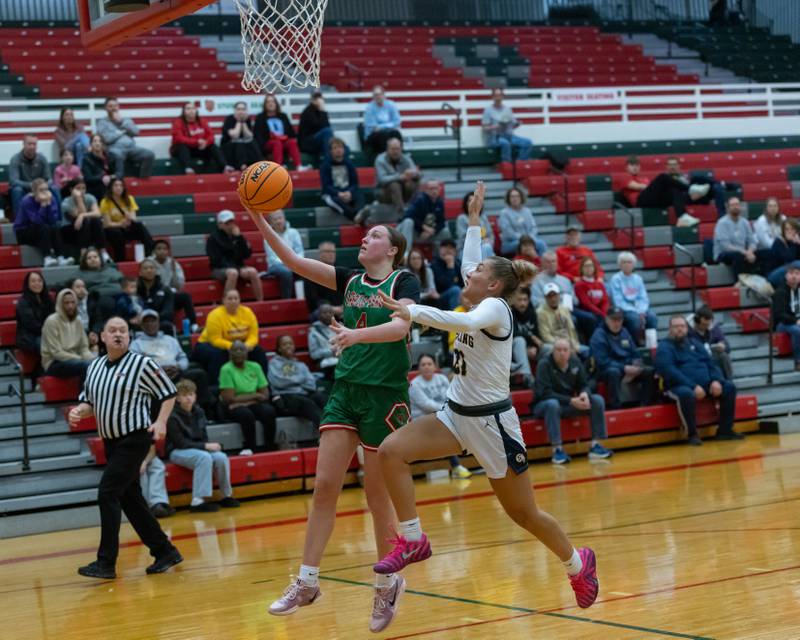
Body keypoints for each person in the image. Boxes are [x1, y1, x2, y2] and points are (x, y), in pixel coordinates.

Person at [370, 183, 600, 614]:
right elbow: (472, 261)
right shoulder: (485, 288)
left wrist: (411, 310)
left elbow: (467, 319)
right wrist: (474, 219)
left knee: (524, 515)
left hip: (493, 425)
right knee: (391, 452)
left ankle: (577, 564)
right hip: (456, 415)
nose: (466, 274)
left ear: (492, 284)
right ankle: (415, 539)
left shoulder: (494, 310)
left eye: (474, 274)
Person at [246, 202, 420, 633]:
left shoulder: (404, 280)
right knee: (324, 486)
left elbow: (402, 327)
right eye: (365, 235)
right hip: (345, 392)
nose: (366, 238)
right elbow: (290, 260)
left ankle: (386, 581)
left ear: (393, 250)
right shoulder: (350, 279)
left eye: (375, 235)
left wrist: (354, 334)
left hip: (386, 398)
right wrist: (257, 217)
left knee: (378, 499)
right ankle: (306, 581)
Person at [68, 316, 182, 579]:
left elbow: (168, 392)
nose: (118, 334)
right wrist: (78, 411)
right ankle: (164, 551)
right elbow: (90, 404)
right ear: (103, 337)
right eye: (112, 330)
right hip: (111, 442)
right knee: (131, 499)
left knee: (107, 493)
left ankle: (106, 562)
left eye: (123, 331)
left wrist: (161, 422)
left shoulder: (142, 364)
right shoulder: (94, 367)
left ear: (129, 337)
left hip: (134, 439)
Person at [656, 315, 743, 445]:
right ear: (670, 329)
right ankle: (692, 434)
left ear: (687, 328)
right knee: (686, 394)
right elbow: (669, 371)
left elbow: (711, 363)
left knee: (729, 387)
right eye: (676, 327)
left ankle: (725, 431)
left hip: (706, 383)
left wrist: (716, 380)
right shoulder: (664, 346)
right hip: (678, 385)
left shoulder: (695, 343)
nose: (680, 329)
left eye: (682, 326)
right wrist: (693, 386)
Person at [533, 339, 613, 464]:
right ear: (553, 352)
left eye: (565, 350)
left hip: (565, 405)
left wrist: (584, 394)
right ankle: (557, 450)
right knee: (552, 404)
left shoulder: (575, 362)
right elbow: (545, 393)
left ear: (570, 352)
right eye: (558, 350)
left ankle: (595, 446)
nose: (562, 353)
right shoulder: (544, 364)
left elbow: (584, 384)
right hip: (543, 406)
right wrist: (571, 400)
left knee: (597, 400)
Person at [167, 379, 240, 513]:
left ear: (195, 396)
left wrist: (208, 446)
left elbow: (203, 436)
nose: (188, 398)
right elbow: (181, 443)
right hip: (177, 451)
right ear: (177, 398)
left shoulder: (199, 412)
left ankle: (226, 495)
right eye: (184, 395)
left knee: (221, 457)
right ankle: (198, 501)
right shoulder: (172, 416)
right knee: (204, 457)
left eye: (191, 394)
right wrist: (206, 446)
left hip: (198, 448)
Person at [131, 309, 211, 413]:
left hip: (176, 373)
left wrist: (178, 366)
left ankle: (205, 411)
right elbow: (135, 365)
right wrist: (158, 369)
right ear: (141, 325)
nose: (150, 324)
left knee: (199, 374)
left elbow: (182, 357)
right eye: (147, 321)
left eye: (153, 321)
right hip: (155, 378)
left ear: (158, 323)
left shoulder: (170, 340)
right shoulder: (136, 344)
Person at [408, 353, 473, 479]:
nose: (426, 367)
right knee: (444, 428)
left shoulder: (442, 379)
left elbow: (450, 397)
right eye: (423, 365)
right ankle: (456, 467)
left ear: (435, 366)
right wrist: (448, 411)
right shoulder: (414, 384)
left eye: (429, 364)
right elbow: (427, 405)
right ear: (419, 368)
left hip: (442, 415)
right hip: (422, 421)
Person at [192, 288, 270, 383]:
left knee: (259, 351)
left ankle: (264, 383)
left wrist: (246, 346)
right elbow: (215, 340)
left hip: (239, 344)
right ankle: (216, 386)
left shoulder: (248, 312)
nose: (233, 301)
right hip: (208, 344)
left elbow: (253, 336)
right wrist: (234, 347)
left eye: (236, 298)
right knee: (218, 354)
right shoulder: (215, 315)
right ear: (223, 300)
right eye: (230, 298)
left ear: (239, 300)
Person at [590, 307, 656, 410]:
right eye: (613, 320)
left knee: (649, 371)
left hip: (627, 367)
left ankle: (645, 405)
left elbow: (635, 352)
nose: (617, 323)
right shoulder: (598, 335)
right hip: (606, 370)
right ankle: (616, 407)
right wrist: (624, 368)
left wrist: (636, 364)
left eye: (619, 320)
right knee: (613, 372)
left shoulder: (624, 331)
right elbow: (602, 362)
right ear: (606, 319)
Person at [219, 340, 278, 455]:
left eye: (242, 349)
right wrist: (255, 395)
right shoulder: (226, 369)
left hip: (245, 403)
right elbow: (230, 399)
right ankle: (251, 449)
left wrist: (243, 402)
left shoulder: (255, 366)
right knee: (246, 415)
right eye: (235, 350)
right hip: (229, 406)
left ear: (247, 352)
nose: (239, 352)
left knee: (269, 411)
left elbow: (265, 395)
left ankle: (270, 447)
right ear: (230, 353)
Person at [268, 335, 327, 430]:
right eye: (284, 344)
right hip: (285, 397)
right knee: (307, 402)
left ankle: (337, 428)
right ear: (279, 348)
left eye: (290, 343)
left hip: (302, 394)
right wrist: (300, 379)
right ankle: (325, 433)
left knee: (321, 397)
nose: (288, 346)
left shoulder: (301, 365)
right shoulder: (274, 363)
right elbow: (278, 382)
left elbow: (311, 384)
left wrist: (291, 381)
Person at [14, 178, 72, 267]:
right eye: (41, 190)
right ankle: (47, 257)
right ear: (34, 192)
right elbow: (37, 221)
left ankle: (60, 257)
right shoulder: (27, 201)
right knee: (43, 227)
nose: (45, 192)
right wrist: (43, 205)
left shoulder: (51, 198)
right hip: (23, 232)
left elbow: (53, 220)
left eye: (46, 189)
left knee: (55, 226)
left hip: (41, 230)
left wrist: (48, 203)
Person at [207, 209, 263, 301]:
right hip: (218, 269)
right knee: (233, 273)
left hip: (237, 266)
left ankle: (261, 302)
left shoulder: (238, 236)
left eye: (231, 222)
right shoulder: (212, 238)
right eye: (227, 223)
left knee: (253, 271)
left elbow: (247, 254)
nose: (230, 225)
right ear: (220, 224)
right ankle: (226, 303)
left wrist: (239, 238)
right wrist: (236, 268)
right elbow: (216, 260)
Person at [41, 288, 96, 380]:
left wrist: (94, 360)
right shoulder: (51, 321)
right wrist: (80, 358)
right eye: (66, 303)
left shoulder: (78, 321)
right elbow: (56, 353)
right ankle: (83, 394)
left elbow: (83, 348)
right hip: (54, 363)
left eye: (72, 302)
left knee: (97, 364)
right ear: (60, 304)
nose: (70, 306)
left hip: (76, 359)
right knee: (85, 366)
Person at [96, 97, 154, 178]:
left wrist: (121, 122)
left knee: (149, 154)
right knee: (117, 155)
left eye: (115, 106)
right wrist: (122, 131)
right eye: (110, 106)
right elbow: (107, 139)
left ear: (118, 107)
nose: (113, 108)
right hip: (114, 149)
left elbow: (136, 132)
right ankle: (120, 181)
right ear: (105, 108)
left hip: (131, 148)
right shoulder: (102, 122)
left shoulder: (126, 120)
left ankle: (143, 179)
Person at [99, 178, 154, 263]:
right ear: (111, 188)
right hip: (113, 229)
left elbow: (133, 218)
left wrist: (128, 217)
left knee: (139, 225)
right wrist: (120, 224)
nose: (119, 188)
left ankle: (150, 254)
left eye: (121, 185)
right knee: (116, 232)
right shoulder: (105, 202)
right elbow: (107, 224)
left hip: (126, 227)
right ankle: (121, 260)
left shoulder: (129, 198)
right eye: (116, 185)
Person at [608, 251, 658, 344]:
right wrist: (636, 312)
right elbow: (618, 301)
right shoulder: (615, 279)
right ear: (619, 265)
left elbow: (643, 297)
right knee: (634, 319)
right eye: (624, 262)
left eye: (629, 262)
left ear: (633, 264)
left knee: (652, 317)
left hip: (639, 308)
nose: (627, 264)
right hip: (624, 309)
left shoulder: (638, 278)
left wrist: (641, 311)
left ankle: (651, 344)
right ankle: (635, 344)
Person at [150, 239, 198, 333]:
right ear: (154, 251)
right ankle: (169, 327)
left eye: (165, 249)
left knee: (185, 296)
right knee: (168, 295)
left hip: (170, 295)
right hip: (155, 297)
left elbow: (178, 286)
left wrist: (174, 272)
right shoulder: (149, 264)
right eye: (159, 249)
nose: (162, 251)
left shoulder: (173, 263)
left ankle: (193, 325)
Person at [170, 101, 232, 174]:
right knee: (182, 146)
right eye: (188, 109)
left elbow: (211, 136)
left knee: (213, 146)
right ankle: (188, 169)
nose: (191, 111)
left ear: (196, 111)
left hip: (199, 148)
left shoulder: (202, 121)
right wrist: (196, 142)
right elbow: (179, 138)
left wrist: (206, 143)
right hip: (182, 149)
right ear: (183, 111)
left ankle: (225, 167)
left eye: (193, 108)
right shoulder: (178, 122)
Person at [397, 180, 451, 259]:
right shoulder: (419, 199)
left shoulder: (440, 202)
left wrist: (432, 231)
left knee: (446, 231)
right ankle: (405, 254)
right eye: (431, 188)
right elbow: (407, 215)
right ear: (426, 190)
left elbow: (441, 222)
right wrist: (424, 228)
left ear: (439, 189)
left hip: (427, 235)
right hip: (412, 233)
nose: (434, 191)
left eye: (436, 188)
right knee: (408, 222)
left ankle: (442, 257)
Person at [253, 94, 307, 170]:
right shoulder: (260, 117)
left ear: (276, 104)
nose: (270, 104)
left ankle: (299, 165)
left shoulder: (283, 116)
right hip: (268, 143)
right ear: (265, 105)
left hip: (283, 141)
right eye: (268, 102)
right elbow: (258, 135)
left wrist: (288, 137)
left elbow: (290, 132)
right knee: (276, 143)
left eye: (272, 101)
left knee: (292, 142)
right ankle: (279, 167)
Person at [61, 178, 111, 261]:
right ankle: (83, 255)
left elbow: (98, 213)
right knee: (85, 221)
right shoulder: (66, 202)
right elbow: (78, 213)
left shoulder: (90, 197)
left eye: (83, 188)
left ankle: (103, 252)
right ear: (71, 190)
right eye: (78, 188)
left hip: (87, 228)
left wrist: (82, 216)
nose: (81, 191)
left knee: (96, 220)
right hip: (69, 230)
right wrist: (79, 199)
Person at [8, 135, 57, 215]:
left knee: (54, 188)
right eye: (29, 144)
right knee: (17, 190)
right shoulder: (15, 159)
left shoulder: (42, 158)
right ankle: (19, 220)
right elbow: (13, 181)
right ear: (23, 144)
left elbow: (49, 178)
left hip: (41, 188)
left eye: (34, 144)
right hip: (24, 189)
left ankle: (58, 221)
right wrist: (32, 186)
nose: (32, 146)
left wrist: (43, 186)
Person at [320, 137, 365, 222]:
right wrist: (339, 193)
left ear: (344, 149)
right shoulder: (325, 166)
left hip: (347, 192)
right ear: (330, 151)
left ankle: (360, 213)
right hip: (333, 194)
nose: (338, 150)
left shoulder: (349, 164)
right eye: (335, 148)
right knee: (335, 201)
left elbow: (355, 183)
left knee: (359, 194)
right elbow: (326, 186)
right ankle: (356, 217)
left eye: (340, 147)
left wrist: (349, 192)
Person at [481, 88, 532, 163]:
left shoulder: (508, 109)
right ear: (492, 97)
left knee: (528, 142)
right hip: (495, 137)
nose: (498, 97)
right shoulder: (488, 110)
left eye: (500, 95)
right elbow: (484, 128)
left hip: (509, 135)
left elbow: (513, 124)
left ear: (503, 96)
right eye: (496, 95)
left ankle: (520, 162)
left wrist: (517, 124)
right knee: (505, 143)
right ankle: (506, 163)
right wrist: (496, 126)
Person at [536, 283, 586, 358]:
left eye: (555, 295)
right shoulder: (540, 312)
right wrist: (563, 345)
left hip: (569, 342)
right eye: (550, 296)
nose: (553, 299)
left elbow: (571, 329)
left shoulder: (564, 309)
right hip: (553, 344)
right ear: (545, 298)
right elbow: (545, 336)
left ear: (559, 295)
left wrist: (574, 344)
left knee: (587, 351)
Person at [263, 209, 304, 299]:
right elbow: (272, 258)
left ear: (284, 218)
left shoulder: (294, 232)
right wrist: (290, 263)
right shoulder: (268, 236)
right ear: (271, 222)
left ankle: (301, 298)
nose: (278, 221)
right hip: (275, 265)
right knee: (286, 272)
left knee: (304, 270)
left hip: (294, 262)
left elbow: (300, 251)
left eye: (280, 218)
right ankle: (286, 299)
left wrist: (297, 262)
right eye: (275, 219)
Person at [713, 196, 757, 277]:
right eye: (732, 205)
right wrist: (744, 252)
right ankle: (739, 282)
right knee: (737, 255)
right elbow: (725, 246)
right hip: (723, 254)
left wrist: (750, 251)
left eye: (737, 204)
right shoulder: (722, 223)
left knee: (763, 254)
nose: (735, 207)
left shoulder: (745, 222)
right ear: (728, 208)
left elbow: (752, 241)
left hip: (743, 253)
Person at [375, 137, 420, 215]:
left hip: (403, 191)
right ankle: (402, 212)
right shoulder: (380, 160)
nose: (395, 151)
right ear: (387, 149)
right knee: (394, 184)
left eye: (397, 149)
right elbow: (381, 180)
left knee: (414, 182)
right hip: (384, 192)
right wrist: (400, 177)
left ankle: (416, 208)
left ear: (401, 148)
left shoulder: (406, 158)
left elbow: (418, 173)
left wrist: (412, 174)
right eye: (392, 149)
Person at [15, 271, 55, 358]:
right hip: (29, 337)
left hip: (46, 334)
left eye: (39, 281)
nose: (37, 283)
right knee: (48, 345)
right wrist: (50, 333)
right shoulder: (23, 302)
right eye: (33, 281)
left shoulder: (48, 299)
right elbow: (31, 325)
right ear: (27, 284)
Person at [688, 305, 733, 380]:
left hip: (712, 356)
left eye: (708, 324)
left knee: (723, 356)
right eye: (704, 324)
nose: (706, 327)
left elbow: (728, 347)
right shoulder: (687, 331)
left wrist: (723, 346)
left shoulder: (713, 328)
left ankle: (729, 383)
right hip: (697, 359)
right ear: (696, 321)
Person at [499, 186, 546, 256]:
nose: (515, 199)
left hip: (529, 240)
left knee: (541, 244)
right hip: (510, 243)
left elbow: (534, 227)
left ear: (521, 198)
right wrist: (524, 239)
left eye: (517, 196)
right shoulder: (504, 213)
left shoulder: (527, 211)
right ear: (508, 199)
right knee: (528, 246)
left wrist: (530, 238)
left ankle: (540, 264)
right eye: (512, 197)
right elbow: (508, 232)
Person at [771, 263, 800, 371]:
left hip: (796, 321)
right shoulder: (780, 292)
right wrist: (796, 321)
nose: (794, 276)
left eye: (797, 274)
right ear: (786, 276)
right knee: (797, 330)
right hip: (782, 324)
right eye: (791, 273)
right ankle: (798, 361)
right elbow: (779, 314)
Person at [510, 286, 541, 387]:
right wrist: (530, 337)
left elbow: (537, 334)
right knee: (519, 340)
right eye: (519, 300)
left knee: (549, 349)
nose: (523, 303)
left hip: (530, 348)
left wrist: (534, 347)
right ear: (513, 300)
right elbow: (512, 333)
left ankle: (547, 382)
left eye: (525, 300)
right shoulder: (509, 312)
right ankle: (527, 376)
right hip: (512, 348)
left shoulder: (532, 313)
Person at [220, 101, 262, 171]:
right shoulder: (229, 119)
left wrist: (243, 122)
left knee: (253, 142)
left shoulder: (247, 119)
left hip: (243, 144)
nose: (241, 111)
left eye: (243, 109)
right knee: (240, 143)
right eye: (239, 109)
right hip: (229, 145)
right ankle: (242, 165)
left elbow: (249, 136)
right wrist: (239, 122)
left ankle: (258, 164)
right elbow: (235, 135)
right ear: (235, 110)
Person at [303, 241, 343, 316]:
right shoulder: (311, 273)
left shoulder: (340, 271)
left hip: (341, 309)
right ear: (320, 254)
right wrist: (331, 309)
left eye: (333, 251)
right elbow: (312, 300)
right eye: (327, 251)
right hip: (320, 311)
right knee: (325, 313)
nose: (331, 254)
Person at [137, 258, 175, 335]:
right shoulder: (134, 290)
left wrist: (151, 319)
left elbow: (168, 312)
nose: (149, 270)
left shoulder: (166, 290)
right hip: (139, 322)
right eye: (145, 268)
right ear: (140, 272)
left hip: (159, 322)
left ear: (156, 271)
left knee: (167, 325)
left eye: (151, 268)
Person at [81, 133, 124, 202]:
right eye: (95, 141)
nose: (97, 143)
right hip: (95, 187)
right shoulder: (86, 159)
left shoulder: (112, 157)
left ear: (103, 144)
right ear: (91, 144)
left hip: (111, 184)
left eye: (100, 141)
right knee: (102, 186)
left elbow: (120, 173)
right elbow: (88, 178)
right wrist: (102, 178)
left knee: (118, 184)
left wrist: (109, 177)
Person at [363, 85, 402, 158]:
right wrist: (390, 125)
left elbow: (397, 121)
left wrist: (383, 126)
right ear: (373, 97)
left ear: (384, 95)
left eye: (379, 94)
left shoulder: (391, 104)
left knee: (396, 133)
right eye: (375, 95)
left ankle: (400, 156)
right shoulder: (369, 108)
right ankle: (386, 158)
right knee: (384, 134)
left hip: (388, 132)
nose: (378, 97)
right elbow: (374, 128)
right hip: (372, 136)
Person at [455, 190, 494, 259]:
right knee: (486, 249)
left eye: (476, 200)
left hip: (484, 247)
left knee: (487, 248)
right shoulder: (462, 218)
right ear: (466, 203)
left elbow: (490, 234)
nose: (473, 203)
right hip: (466, 250)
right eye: (470, 201)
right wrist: (481, 241)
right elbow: (465, 238)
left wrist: (490, 241)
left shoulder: (483, 217)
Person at [138, 445, 173, 519]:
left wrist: (145, 462)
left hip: (144, 456)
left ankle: (157, 503)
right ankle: (145, 506)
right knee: (140, 471)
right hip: (127, 457)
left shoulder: (146, 433)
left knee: (157, 465)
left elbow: (152, 450)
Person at [298, 91, 335, 162]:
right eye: (316, 98)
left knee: (341, 146)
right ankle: (329, 162)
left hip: (319, 140)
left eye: (319, 97)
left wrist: (322, 111)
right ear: (312, 100)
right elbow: (318, 126)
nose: (319, 100)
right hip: (307, 142)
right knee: (327, 132)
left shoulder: (320, 111)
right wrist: (322, 110)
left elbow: (327, 126)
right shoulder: (308, 111)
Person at [574, 256, 609, 328]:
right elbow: (586, 303)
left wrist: (604, 313)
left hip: (601, 313)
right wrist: (601, 314)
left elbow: (605, 301)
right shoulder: (579, 285)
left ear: (594, 268)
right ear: (582, 268)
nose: (588, 268)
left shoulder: (599, 284)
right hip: (588, 313)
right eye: (586, 266)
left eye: (590, 265)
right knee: (597, 319)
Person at [431, 239, 464, 311]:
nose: (448, 250)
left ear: (455, 251)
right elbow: (445, 285)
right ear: (440, 249)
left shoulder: (458, 263)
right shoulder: (434, 264)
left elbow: (463, 283)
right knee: (455, 290)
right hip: (439, 297)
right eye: (445, 247)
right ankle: (456, 318)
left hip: (459, 296)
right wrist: (450, 266)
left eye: (451, 248)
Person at [308, 302, 338, 379]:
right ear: (318, 315)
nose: (327, 314)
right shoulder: (313, 331)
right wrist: (332, 352)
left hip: (342, 359)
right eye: (324, 312)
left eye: (330, 312)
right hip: (326, 363)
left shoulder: (340, 327)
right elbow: (314, 355)